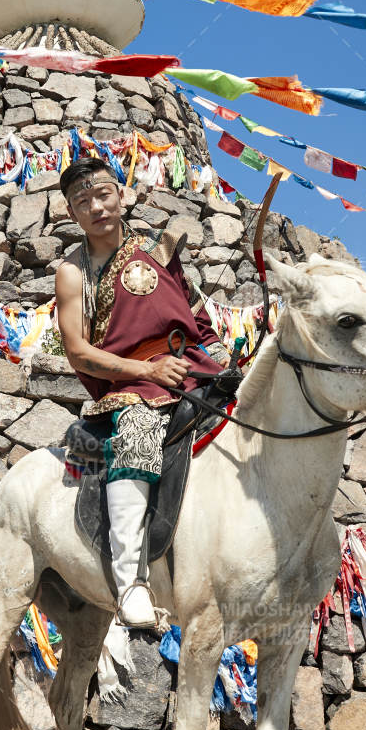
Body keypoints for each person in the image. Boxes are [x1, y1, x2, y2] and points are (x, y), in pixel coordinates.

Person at [53, 157, 233, 628]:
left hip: (194, 368)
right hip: (132, 384)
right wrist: (145, 370)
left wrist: (220, 358)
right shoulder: (73, 273)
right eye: (82, 202)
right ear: (73, 214)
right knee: (137, 431)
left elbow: (198, 317)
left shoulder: (160, 248)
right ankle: (132, 580)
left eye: (103, 194)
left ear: (122, 194)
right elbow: (78, 353)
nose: (96, 207)